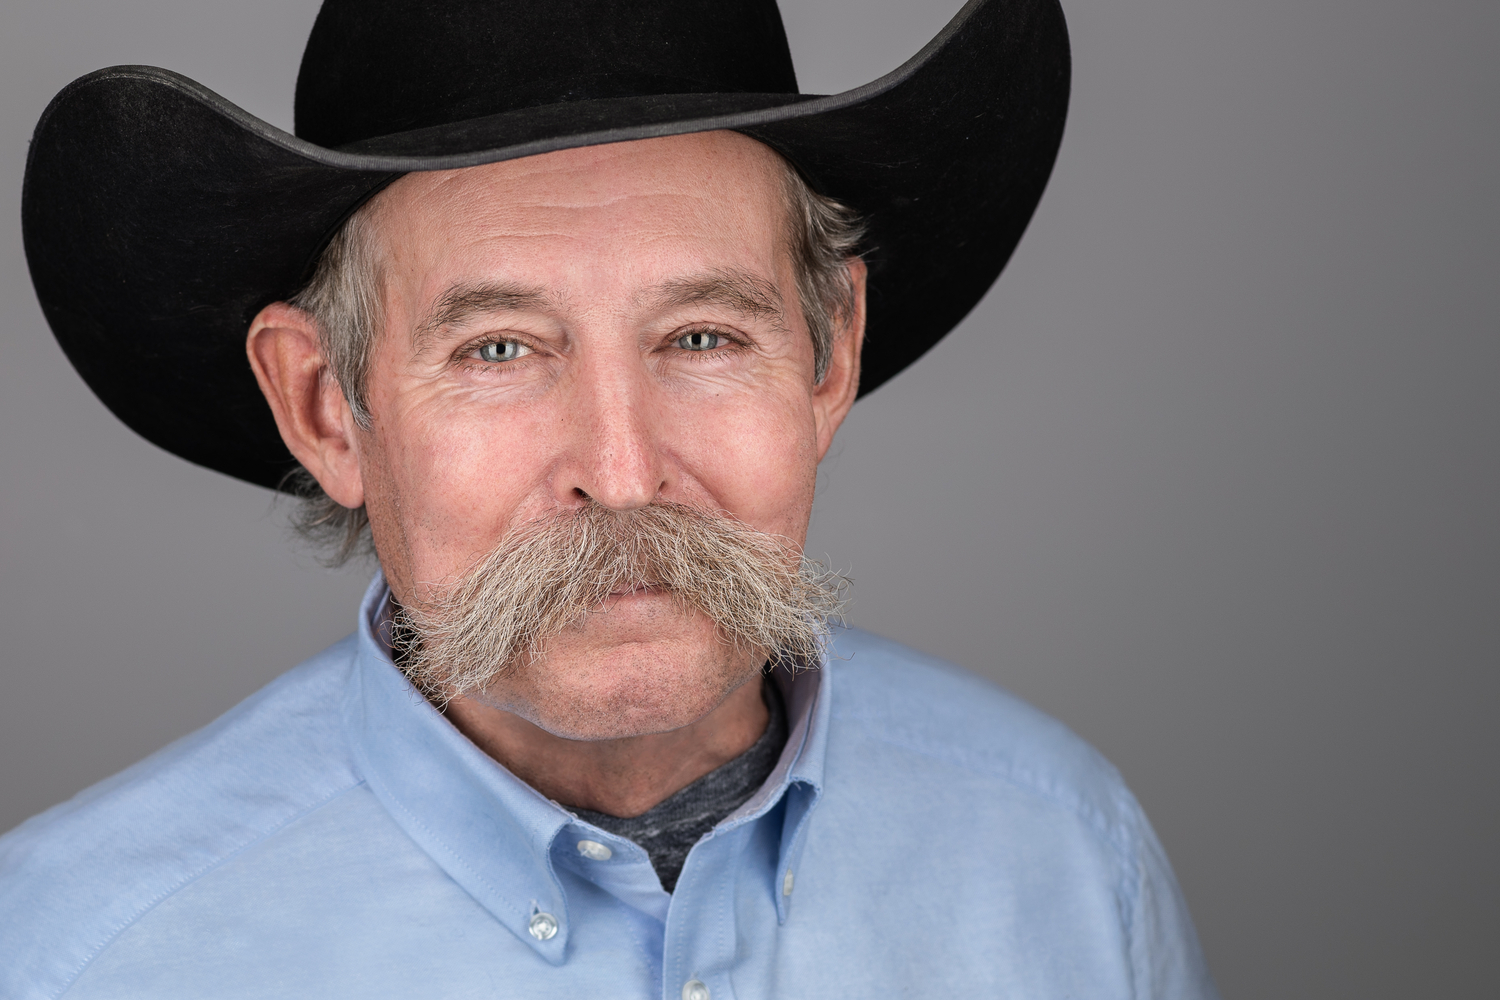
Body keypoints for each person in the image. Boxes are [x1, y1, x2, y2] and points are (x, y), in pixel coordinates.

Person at [2, 0, 1218, 996]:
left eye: (701, 336)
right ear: (326, 406)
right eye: (498, 350)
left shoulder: (1067, 854)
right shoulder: (71, 955)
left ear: (828, 357)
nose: (625, 473)